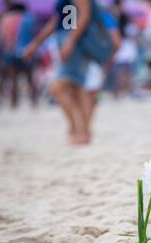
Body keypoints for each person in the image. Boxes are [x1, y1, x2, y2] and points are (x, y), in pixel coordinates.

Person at [24, 0, 94, 145]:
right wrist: (36, 43)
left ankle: (77, 129)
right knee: (76, 89)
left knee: (58, 87)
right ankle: (82, 132)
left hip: (74, 44)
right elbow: (57, 20)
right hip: (68, 41)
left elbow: (84, 15)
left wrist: (70, 42)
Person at [0, 2, 37, 108]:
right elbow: (34, 34)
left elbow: (2, 38)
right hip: (27, 50)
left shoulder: (5, 19)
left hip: (10, 52)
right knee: (30, 78)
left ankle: (14, 104)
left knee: (13, 79)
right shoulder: (29, 19)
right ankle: (34, 103)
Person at [84, 8, 121, 123]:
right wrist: (109, 58)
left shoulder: (80, 14)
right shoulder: (104, 15)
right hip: (97, 58)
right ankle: (85, 126)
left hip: (85, 56)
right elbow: (116, 42)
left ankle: (82, 127)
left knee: (84, 93)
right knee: (92, 93)